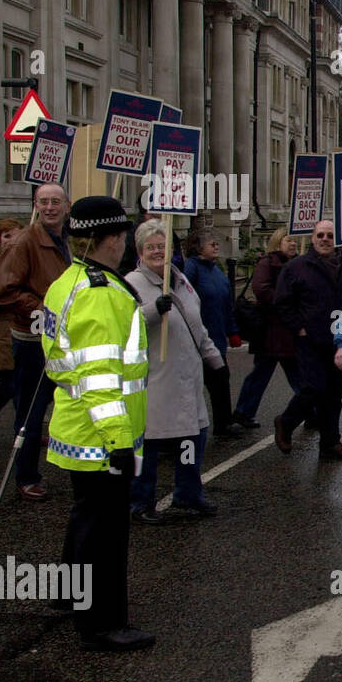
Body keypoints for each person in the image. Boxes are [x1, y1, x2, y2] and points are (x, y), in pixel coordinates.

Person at [41, 196, 153, 651]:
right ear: (108, 240)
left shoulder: (67, 281)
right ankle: (102, 621)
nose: (125, 243)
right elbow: (102, 379)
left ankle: (71, 594)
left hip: (75, 428)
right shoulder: (102, 294)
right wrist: (118, 443)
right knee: (107, 532)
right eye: (122, 236)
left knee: (86, 518)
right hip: (101, 434)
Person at [124, 220, 221, 523]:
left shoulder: (180, 280)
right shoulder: (131, 283)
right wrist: (153, 311)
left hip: (187, 377)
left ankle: (188, 494)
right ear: (140, 251)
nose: (157, 251)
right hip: (155, 378)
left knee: (192, 438)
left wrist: (214, 358)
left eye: (162, 246)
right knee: (150, 443)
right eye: (150, 247)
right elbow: (124, 326)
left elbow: (196, 323)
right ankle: (139, 502)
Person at [0, 183, 73, 501]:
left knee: (72, 400)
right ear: (35, 206)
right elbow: (1, 291)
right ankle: (26, 478)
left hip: (65, 337)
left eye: (55, 201)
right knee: (31, 412)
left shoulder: (71, 239)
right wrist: (41, 310)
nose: (50, 207)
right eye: (43, 202)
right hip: (32, 339)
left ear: (67, 205)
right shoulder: (25, 241)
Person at [273, 219, 342, 462]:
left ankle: (331, 443)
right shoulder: (297, 267)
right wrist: (298, 327)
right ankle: (286, 422)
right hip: (309, 340)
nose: (325, 239)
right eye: (320, 235)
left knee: (334, 394)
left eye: (330, 235)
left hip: (337, 339)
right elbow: (282, 301)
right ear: (312, 238)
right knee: (313, 387)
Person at [232, 228, 302, 428]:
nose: (293, 244)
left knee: (296, 373)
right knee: (263, 374)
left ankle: (309, 410)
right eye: (289, 240)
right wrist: (287, 302)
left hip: (287, 331)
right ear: (278, 242)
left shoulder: (296, 264)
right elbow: (261, 289)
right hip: (270, 331)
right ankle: (243, 412)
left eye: (295, 241)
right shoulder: (267, 263)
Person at [184, 229, 243, 440]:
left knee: (220, 380)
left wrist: (232, 330)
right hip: (195, 340)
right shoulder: (192, 269)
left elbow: (226, 305)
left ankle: (223, 422)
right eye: (211, 243)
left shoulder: (216, 270)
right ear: (199, 247)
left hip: (216, 338)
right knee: (193, 386)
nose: (216, 246)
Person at [0, 218, 25, 420]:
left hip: (17, 329)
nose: (12, 240)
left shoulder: (20, 258)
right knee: (10, 384)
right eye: (7, 236)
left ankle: (25, 430)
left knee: (21, 384)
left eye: (16, 235)